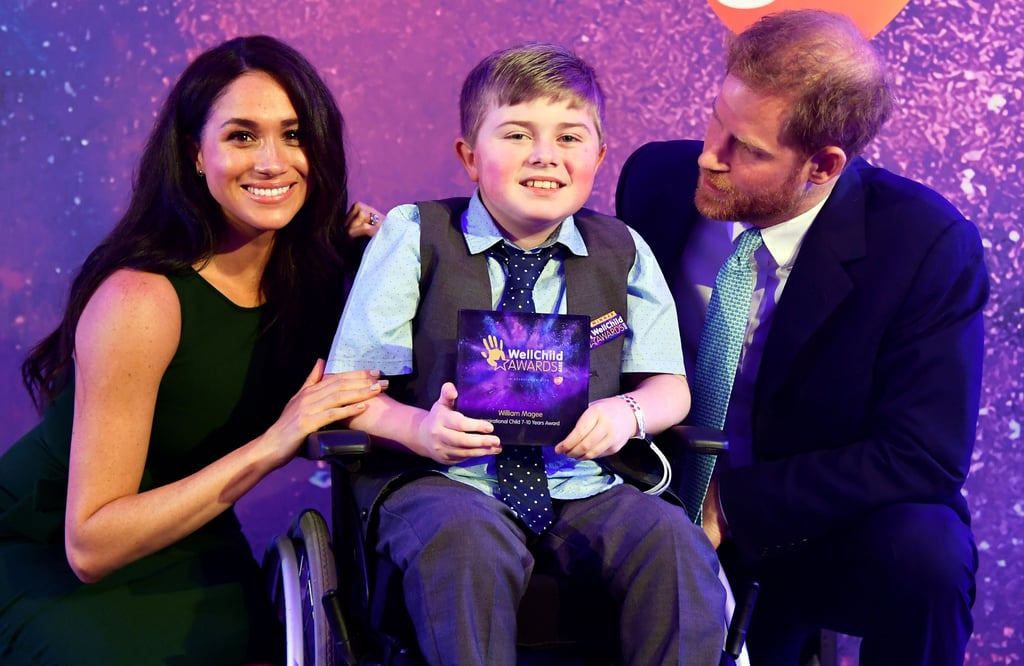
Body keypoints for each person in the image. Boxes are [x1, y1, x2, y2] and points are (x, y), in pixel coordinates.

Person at [326, 42, 726, 665]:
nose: (545, 155)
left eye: (570, 137)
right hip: (443, 480)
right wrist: (420, 429)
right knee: (465, 543)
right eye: (516, 134)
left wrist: (626, 414)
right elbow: (351, 390)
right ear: (469, 156)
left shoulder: (621, 250)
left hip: (585, 480)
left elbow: (670, 388)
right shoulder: (415, 234)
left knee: (673, 544)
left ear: (598, 156)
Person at [615, 9, 988, 666]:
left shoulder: (925, 246)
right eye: (716, 120)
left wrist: (730, 504)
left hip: (806, 523)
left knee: (930, 553)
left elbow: (923, 455)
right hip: (652, 490)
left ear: (824, 164)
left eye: (748, 150)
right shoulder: (655, 181)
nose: (711, 155)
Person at [0, 35, 387, 665]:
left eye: (294, 135)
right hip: (54, 553)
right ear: (195, 155)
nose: (272, 161)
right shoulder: (142, 300)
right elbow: (91, 546)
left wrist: (382, 264)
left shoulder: (317, 282)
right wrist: (275, 443)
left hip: (193, 538)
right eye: (241, 136)